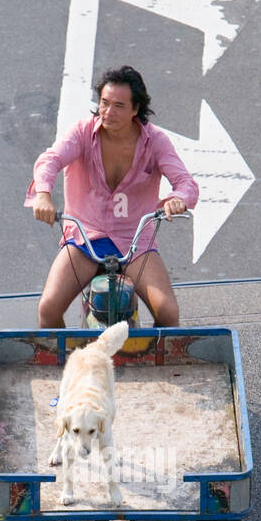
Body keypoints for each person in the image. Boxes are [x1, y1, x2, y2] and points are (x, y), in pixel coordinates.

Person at [24, 65, 198, 327]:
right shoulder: (82, 132)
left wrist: (178, 199)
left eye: (118, 105)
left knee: (168, 312)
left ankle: (150, 361)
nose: (107, 112)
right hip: (86, 238)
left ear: (135, 109)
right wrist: (43, 195)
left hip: (134, 241)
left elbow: (186, 183)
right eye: (104, 103)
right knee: (48, 309)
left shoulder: (155, 141)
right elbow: (50, 160)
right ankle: (71, 364)